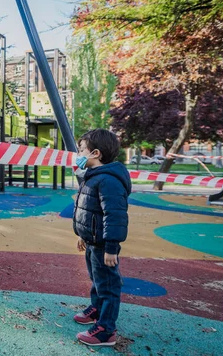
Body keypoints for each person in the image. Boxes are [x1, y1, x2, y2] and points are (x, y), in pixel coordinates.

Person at [72, 128, 131, 347]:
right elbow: (88, 210)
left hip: (104, 244)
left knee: (108, 284)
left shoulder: (109, 181)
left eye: (81, 150)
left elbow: (115, 216)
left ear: (95, 153)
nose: (78, 155)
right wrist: (82, 235)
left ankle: (107, 330)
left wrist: (111, 247)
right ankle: (97, 308)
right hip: (92, 241)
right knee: (97, 280)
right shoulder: (93, 177)